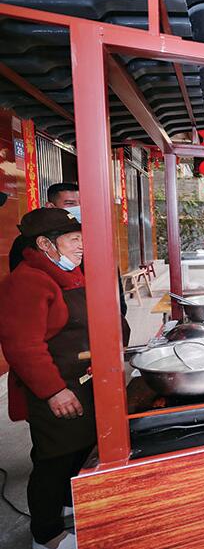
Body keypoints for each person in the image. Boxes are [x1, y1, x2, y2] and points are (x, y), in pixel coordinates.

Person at [0, 208, 93, 549]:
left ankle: (68, 504)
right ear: (45, 244)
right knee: (54, 458)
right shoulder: (27, 281)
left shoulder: (68, 274)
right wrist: (54, 391)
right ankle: (47, 534)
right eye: (74, 239)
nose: (81, 246)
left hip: (80, 381)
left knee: (79, 448)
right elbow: (23, 346)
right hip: (53, 387)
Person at [8, 182, 128, 318]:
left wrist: (119, 310)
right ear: (50, 207)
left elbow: (111, 274)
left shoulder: (95, 235)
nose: (78, 208)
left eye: (81, 204)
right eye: (70, 204)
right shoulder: (26, 243)